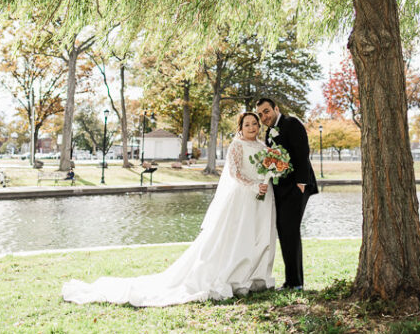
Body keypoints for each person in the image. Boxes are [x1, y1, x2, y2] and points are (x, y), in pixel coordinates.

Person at [62, 112, 276, 306]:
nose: (251, 127)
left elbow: (266, 168)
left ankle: (249, 277)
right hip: (241, 198)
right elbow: (234, 172)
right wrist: (254, 185)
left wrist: (267, 179)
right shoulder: (236, 145)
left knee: (253, 236)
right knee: (235, 236)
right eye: (246, 124)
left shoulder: (263, 147)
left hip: (261, 198)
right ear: (240, 127)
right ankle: (232, 276)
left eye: (254, 123)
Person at [255, 97, 318, 290]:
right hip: (280, 188)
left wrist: (301, 183)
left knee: (290, 230)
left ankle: (296, 282)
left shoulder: (291, 123)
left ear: (276, 108)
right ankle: (292, 280)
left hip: (297, 187)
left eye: (266, 111)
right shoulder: (268, 133)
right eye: (260, 114)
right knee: (284, 231)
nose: (264, 116)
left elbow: (302, 152)